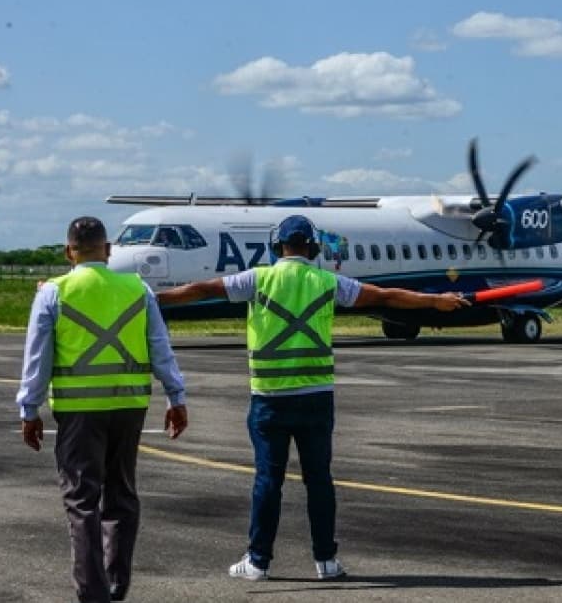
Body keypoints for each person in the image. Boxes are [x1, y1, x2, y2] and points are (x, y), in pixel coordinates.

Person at [157, 214, 468, 582]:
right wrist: (436, 302)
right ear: (313, 247)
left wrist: (153, 297)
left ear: (277, 246)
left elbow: (203, 289)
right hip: (316, 397)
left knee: (267, 480)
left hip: (270, 398)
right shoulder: (327, 282)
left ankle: (258, 562)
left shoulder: (258, 278)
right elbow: (386, 296)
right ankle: (326, 561)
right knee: (319, 480)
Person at [16, 216, 189, 603]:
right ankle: (115, 583)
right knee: (122, 494)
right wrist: (176, 397)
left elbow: (37, 358)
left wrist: (30, 408)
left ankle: (92, 593)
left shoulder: (53, 292)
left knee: (82, 500)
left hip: (80, 410)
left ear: (68, 252)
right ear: (108, 250)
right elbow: (161, 347)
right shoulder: (136, 288)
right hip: (130, 406)